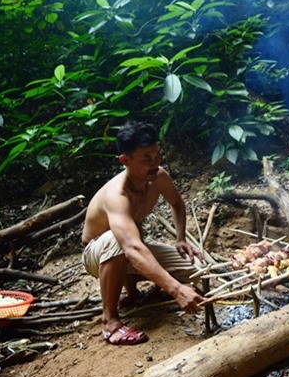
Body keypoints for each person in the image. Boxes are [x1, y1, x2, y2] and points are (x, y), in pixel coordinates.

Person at [82, 121, 205, 345]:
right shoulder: (117, 195)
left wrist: (180, 239)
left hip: (131, 249)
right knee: (115, 239)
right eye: (146, 159)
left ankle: (133, 293)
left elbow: (177, 203)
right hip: (97, 255)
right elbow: (130, 247)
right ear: (125, 161)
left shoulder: (158, 176)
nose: (155, 163)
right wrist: (176, 290)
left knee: (199, 270)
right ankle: (109, 321)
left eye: (157, 155)